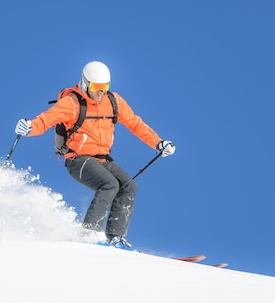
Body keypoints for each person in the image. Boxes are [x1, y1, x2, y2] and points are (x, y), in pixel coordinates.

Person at [14, 61, 175, 247]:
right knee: (110, 184)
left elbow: (135, 124)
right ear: (85, 83)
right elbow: (46, 120)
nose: (101, 91)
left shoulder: (113, 101)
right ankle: (89, 234)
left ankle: (116, 237)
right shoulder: (72, 104)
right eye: (96, 87)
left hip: (102, 159)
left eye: (105, 87)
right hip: (77, 159)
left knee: (129, 187)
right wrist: (29, 127)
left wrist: (158, 142)